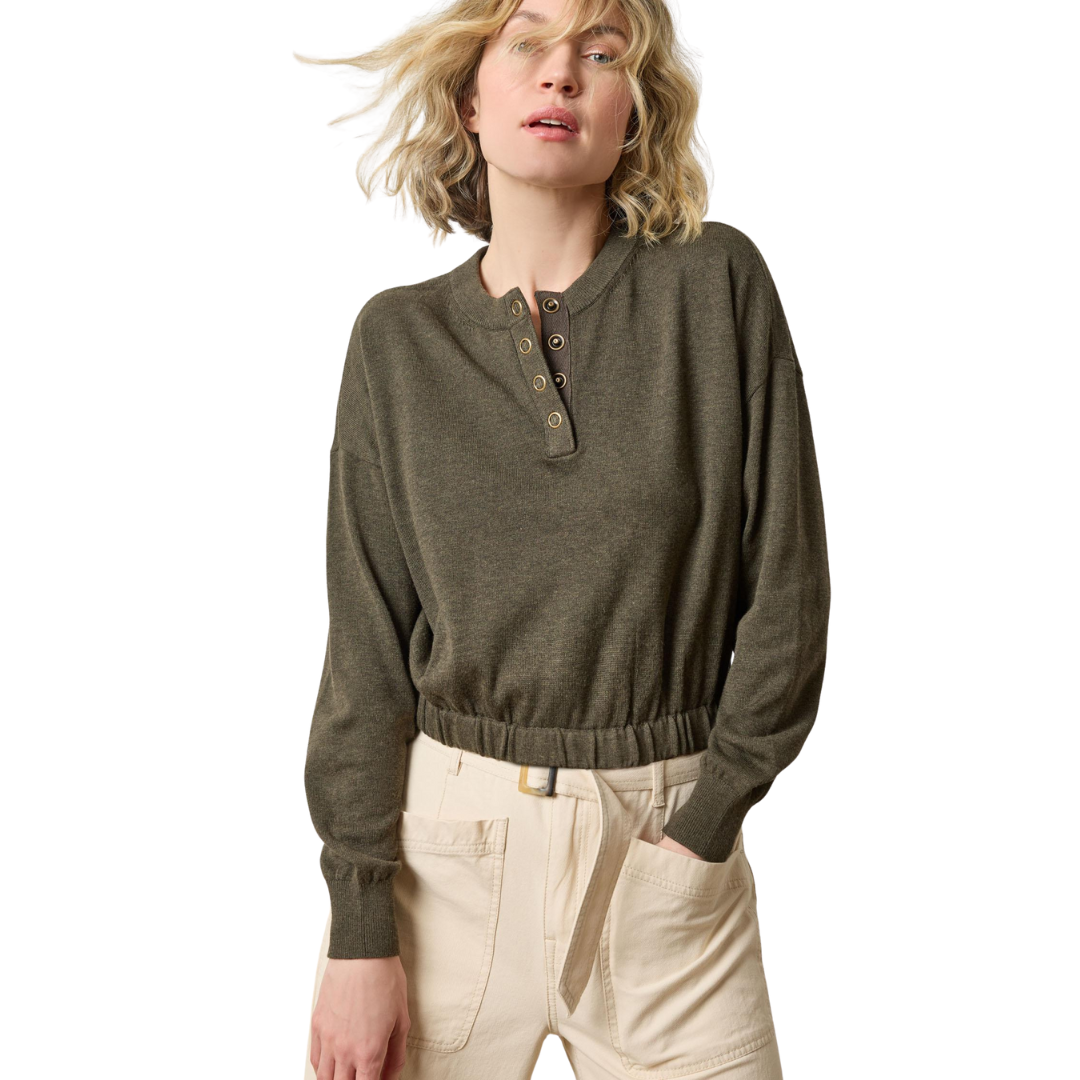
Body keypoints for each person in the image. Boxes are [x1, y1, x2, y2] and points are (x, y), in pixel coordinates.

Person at [297, 0, 831, 1076]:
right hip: (443, 862)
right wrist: (358, 923)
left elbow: (788, 588)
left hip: (668, 852)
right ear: (469, 98)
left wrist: (709, 818)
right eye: (528, 44)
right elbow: (364, 654)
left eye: (601, 52)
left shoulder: (715, 287)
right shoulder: (396, 343)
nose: (561, 76)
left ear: (634, 108)